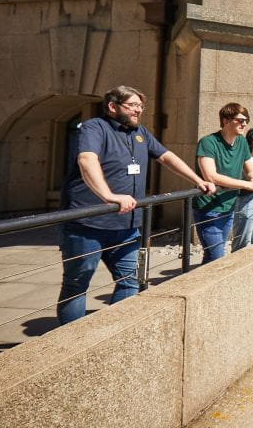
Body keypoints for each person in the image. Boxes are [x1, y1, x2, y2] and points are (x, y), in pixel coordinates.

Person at [58, 85, 216, 324]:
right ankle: (70, 341)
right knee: (77, 284)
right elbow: (86, 159)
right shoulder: (94, 127)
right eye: (132, 106)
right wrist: (109, 196)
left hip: (127, 225)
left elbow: (166, 156)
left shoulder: (140, 132)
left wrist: (198, 180)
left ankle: (112, 333)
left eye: (141, 106)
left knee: (131, 281)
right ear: (113, 107)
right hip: (87, 224)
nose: (138, 111)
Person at [194, 103, 253, 264]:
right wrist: (248, 185)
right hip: (209, 208)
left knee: (213, 257)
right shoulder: (208, 142)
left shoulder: (241, 142)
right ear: (226, 121)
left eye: (246, 120)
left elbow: (250, 168)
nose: (244, 124)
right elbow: (211, 176)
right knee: (216, 256)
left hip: (229, 206)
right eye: (240, 120)